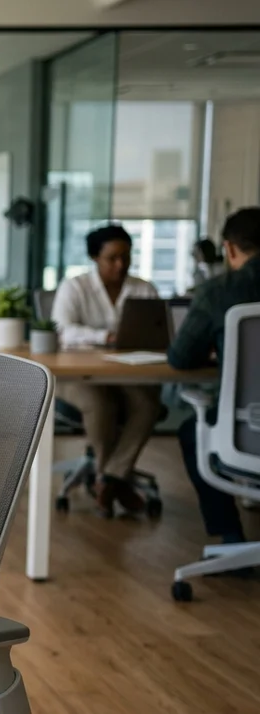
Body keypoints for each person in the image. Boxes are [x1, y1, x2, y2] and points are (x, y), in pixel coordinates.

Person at [51, 224, 162, 517]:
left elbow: (158, 332)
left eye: (126, 257)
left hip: (126, 373)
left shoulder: (143, 289)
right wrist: (106, 338)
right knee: (101, 404)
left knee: (147, 405)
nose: (121, 264)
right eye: (112, 257)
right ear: (94, 257)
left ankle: (109, 478)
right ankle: (112, 478)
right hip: (77, 375)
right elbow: (63, 331)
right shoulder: (75, 288)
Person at [169, 207, 260, 546]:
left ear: (230, 249)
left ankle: (230, 535)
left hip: (249, 431)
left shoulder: (217, 291)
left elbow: (180, 357)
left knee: (193, 431)